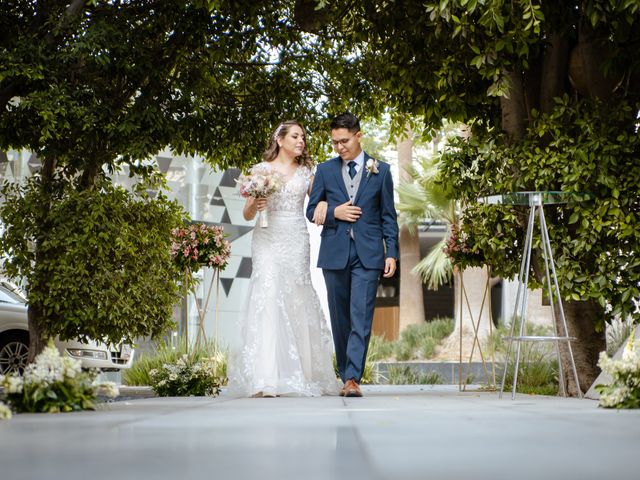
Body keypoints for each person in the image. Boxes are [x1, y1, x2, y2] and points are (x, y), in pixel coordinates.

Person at [227, 120, 340, 397]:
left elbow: (317, 204)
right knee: (267, 293)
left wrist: (325, 202)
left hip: (296, 237)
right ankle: (265, 377)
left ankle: (302, 373)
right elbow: (246, 214)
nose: (301, 141)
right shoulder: (260, 171)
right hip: (267, 236)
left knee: (297, 296)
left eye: (303, 137)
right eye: (295, 136)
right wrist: (256, 201)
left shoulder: (307, 173)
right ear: (280, 140)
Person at [306, 112, 399, 397]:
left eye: (344, 141)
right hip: (335, 252)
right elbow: (312, 211)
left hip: (368, 254)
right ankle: (345, 371)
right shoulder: (325, 170)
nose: (339, 147)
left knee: (361, 316)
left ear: (358, 135)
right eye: (334, 142)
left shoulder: (380, 171)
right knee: (340, 319)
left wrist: (391, 252)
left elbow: (388, 216)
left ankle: (352, 378)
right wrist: (335, 212)